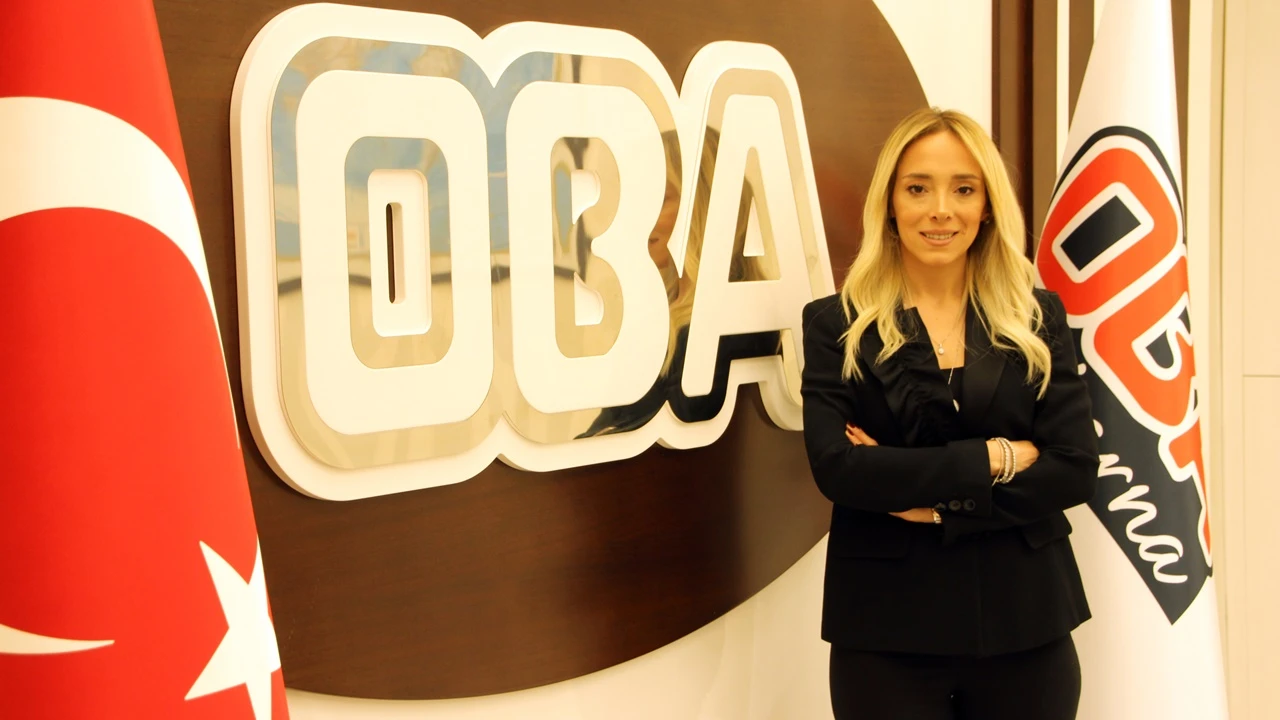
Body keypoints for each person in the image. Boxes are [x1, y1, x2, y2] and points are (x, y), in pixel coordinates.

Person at [800, 107, 1100, 720]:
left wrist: (932, 503)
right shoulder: (835, 324)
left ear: (987, 206)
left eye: (964, 189)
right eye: (918, 189)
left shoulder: (1037, 316)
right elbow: (840, 470)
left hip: (1027, 623)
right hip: (885, 630)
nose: (941, 210)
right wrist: (996, 458)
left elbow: (1072, 469)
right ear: (889, 203)